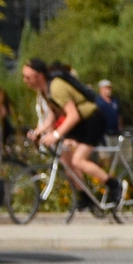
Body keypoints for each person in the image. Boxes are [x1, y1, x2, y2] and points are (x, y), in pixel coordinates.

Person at [21, 59, 113, 204]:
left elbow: (73, 115)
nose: (25, 81)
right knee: (66, 159)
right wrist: (38, 131)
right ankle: (85, 196)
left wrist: (56, 135)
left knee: (78, 160)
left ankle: (113, 185)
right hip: (82, 121)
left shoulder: (56, 87)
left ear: (39, 76)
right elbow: (54, 114)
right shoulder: (45, 90)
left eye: (28, 77)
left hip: (92, 120)